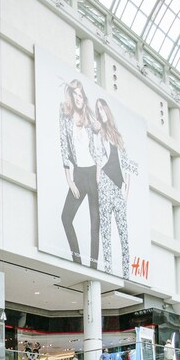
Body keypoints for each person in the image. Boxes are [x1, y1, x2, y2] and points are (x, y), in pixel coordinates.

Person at [59, 79, 104, 268]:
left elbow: (98, 133)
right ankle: (77, 262)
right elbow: (63, 146)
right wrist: (69, 180)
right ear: (71, 96)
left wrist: (99, 171)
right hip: (78, 174)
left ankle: (93, 267)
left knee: (95, 223)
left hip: (93, 172)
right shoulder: (65, 115)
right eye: (75, 94)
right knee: (66, 218)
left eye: (81, 94)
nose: (78, 98)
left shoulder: (89, 116)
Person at [95, 98, 137, 277]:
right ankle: (108, 272)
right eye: (98, 110)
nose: (101, 113)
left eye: (102, 109)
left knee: (123, 234)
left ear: (107, 110)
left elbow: (127, 165)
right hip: (104, 183)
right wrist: (98, 184)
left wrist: (126, 192)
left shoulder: (118, 137)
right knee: (106, 232)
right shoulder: (99, 135)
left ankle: (126, 273)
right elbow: (98, 160)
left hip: (118, 187)